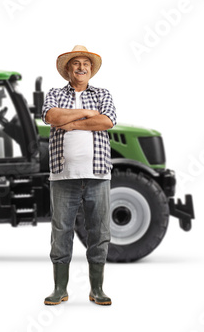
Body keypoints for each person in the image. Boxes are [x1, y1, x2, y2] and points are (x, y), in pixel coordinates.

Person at [42, 45, 117, 306]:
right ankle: (59, 288)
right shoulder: (54, 94)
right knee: (61, 232)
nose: (81, 67)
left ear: (91, 69)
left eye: (86, 63)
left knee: (99, 231)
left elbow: (106, 121)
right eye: (76, 63)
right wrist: (86, 113)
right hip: (63, 175)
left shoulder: (102, 94)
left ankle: (97, 289)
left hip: (97, 174)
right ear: (68, 69)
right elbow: (51, 116)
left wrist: (71, 124)